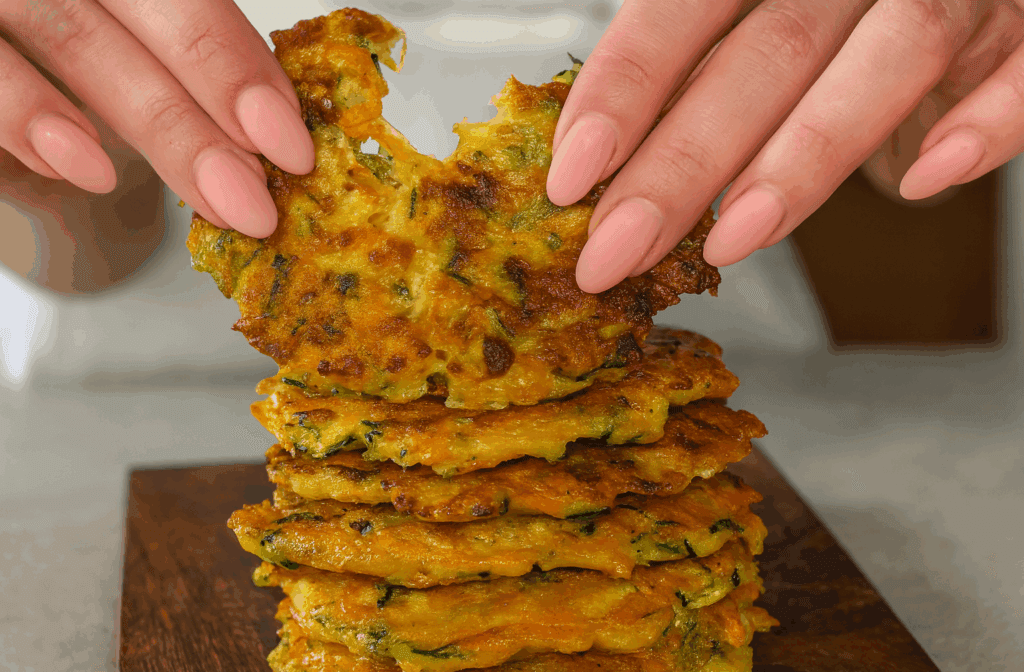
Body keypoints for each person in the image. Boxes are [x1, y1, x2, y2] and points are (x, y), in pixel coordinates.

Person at [2, 0, 1022, 293]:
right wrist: (39, 175)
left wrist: (934, 80)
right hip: (107, 424)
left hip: (745, 412)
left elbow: (908, 158)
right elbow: (80, 250)